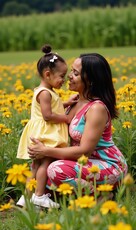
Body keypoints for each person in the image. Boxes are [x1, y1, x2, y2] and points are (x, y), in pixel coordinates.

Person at [28, 53, 128, 201]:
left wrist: (45, 150)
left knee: (54, 169)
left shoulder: (96, 109)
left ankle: (102, 196)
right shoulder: (74, 103)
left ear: (91, 80)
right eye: (71, 71)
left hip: (106, 165)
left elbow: (85, 151)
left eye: (75, 73)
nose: (69, 76)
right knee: (42, 171)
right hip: (81, 163)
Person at [16, 44, 77, 208]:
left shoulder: (44, 91)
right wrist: (66, 118)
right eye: (61, 76)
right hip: (45, 132)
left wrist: (66, 102)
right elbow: (48, 115)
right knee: (46, 162)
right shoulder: (45, 93)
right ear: (48, 74)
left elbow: (52, 107)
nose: (64, 80)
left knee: (35, 165)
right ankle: (39, 195)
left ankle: (26, 197)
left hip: (39, 131)